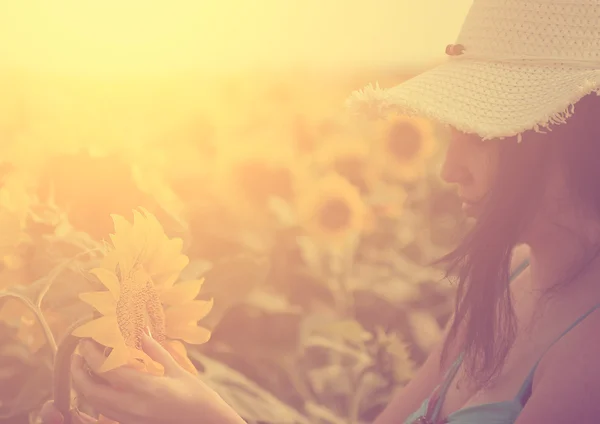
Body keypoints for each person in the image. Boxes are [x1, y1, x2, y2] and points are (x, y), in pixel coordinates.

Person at [41, 0, 600, 423]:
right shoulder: (508, 280)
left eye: (480, 134)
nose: (449, 169)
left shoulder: (589, 357)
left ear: (567, 136)